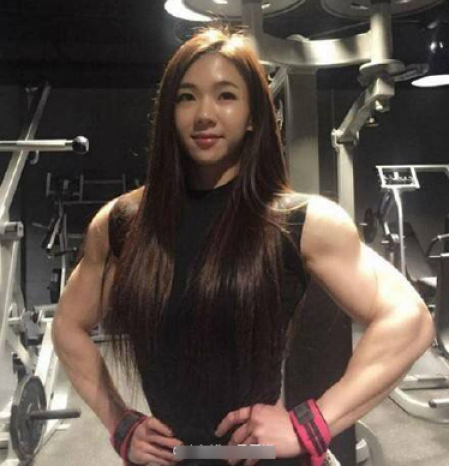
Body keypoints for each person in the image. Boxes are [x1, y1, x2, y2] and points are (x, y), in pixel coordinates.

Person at [53, 27, 434, 466]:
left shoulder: (299, 221)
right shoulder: (124, 223)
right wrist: (120, 423)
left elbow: (409, 319)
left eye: (226, 96)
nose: (204, 114)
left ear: (253, 115)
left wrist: (312, 424)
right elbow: (68, 325)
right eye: (187, 97)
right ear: (169, 113)